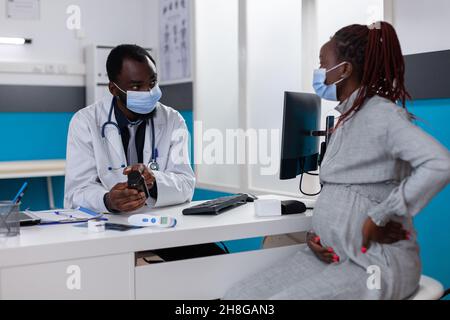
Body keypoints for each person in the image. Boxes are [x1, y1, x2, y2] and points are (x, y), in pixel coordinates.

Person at [224, 22, 450, 300]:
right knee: (240, 296)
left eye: (323, 63)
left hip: (372, 264)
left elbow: (440, 164)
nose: (319, 72)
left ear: (343, 69)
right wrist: (318, 235)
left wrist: (380, 216)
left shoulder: (382, 115)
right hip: (326, 255)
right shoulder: (347, 119)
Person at [65, 44, 225, 260]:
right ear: (114, 89)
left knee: (213, 257)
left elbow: (186, 184)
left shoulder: (172, 120)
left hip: (162, 227)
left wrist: (154, 181)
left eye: (152, 83)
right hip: (107, 232)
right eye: (136, 86)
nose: (148, 92)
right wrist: (108, 200)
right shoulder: (85, 122)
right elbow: (76, 194)